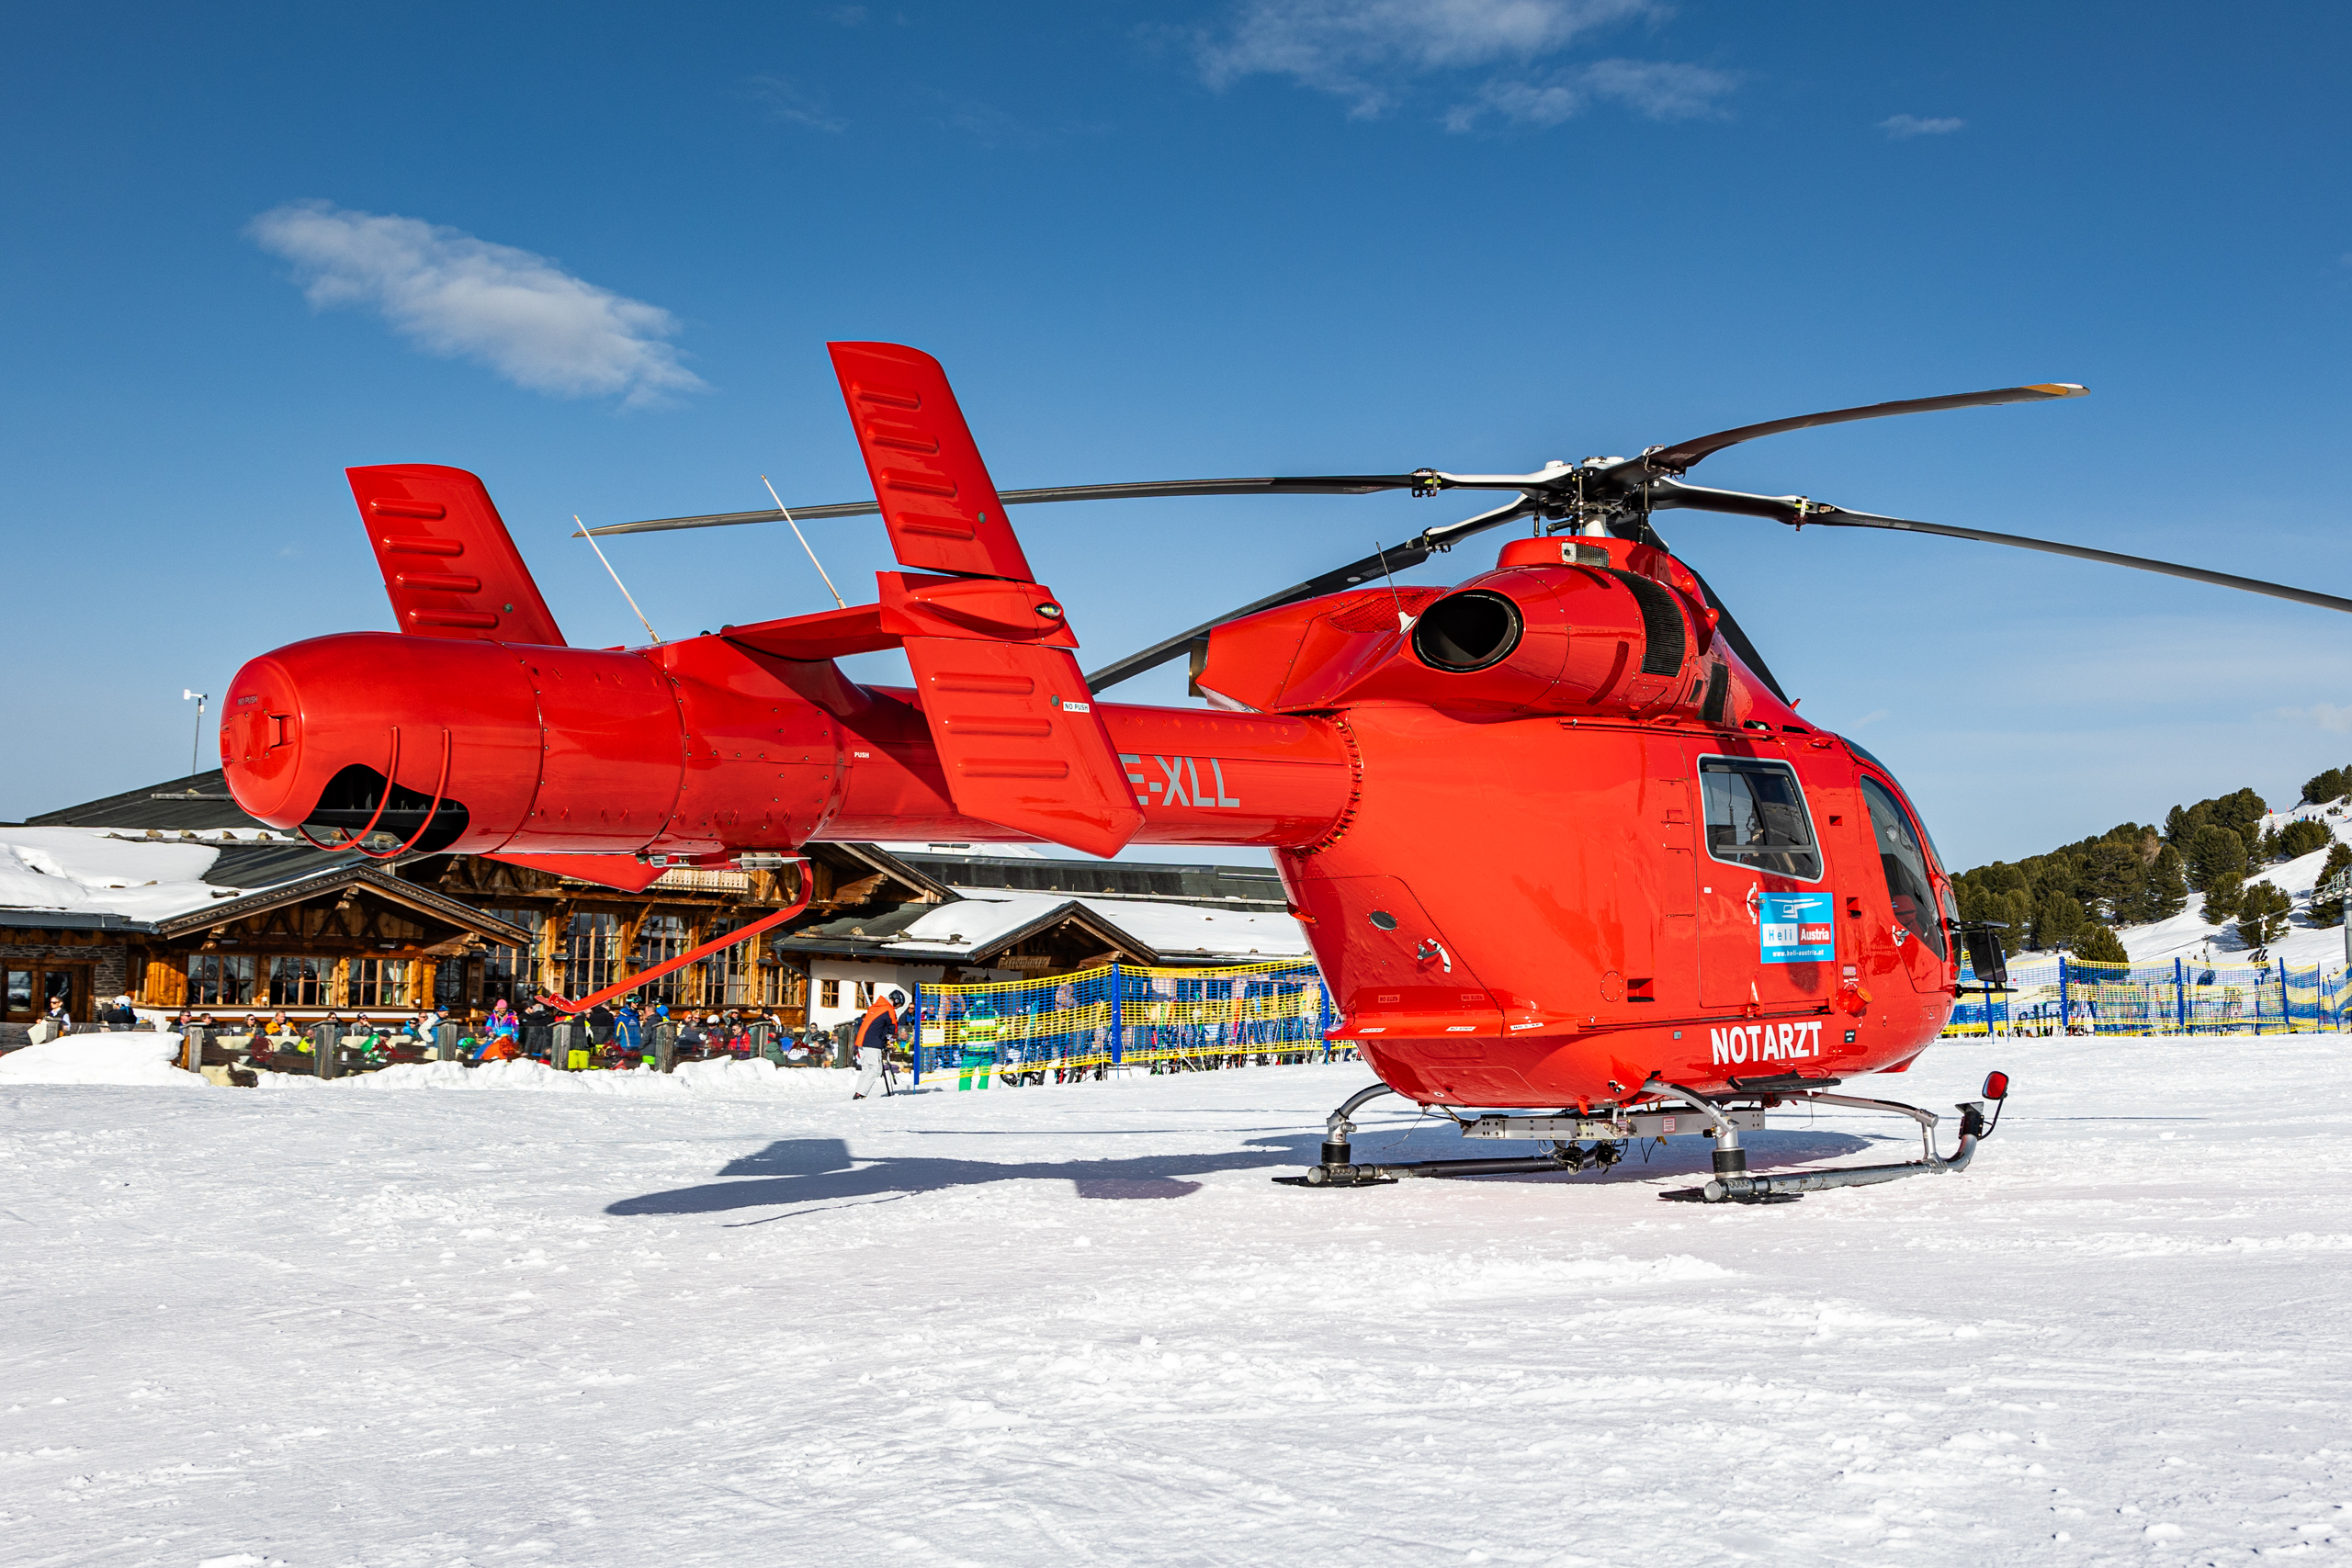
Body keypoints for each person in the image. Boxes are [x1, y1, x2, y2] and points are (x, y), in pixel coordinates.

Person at [852, 988, 905, 1100]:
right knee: (876, 1069)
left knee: (867, 1069)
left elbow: (877, 1025)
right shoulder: (888, 1009)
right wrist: (890, 1039)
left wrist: (884, 1037)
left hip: (862, 1040)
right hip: (872, 1042)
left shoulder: (875, 1007)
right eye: (898, 1005)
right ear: (896, 1001)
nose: (897, 1008)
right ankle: (861, 1093)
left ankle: (859, 1092)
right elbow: (893, 1027)